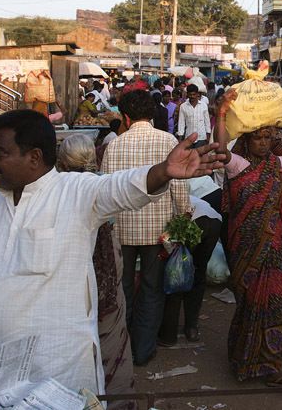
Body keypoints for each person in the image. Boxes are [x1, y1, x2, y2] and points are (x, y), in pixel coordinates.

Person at [0, 106, 223, 395]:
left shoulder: (74, 191)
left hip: (54, 371)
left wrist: (163, 172)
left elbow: (118, 188)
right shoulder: (1, 201)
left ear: (34, 157)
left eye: (1, 153)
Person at [215, 89, 282, 386]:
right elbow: (219, 147)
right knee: (249, 303)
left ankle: (271, 366)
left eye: (268, 137)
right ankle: (243, 361)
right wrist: (222, 112)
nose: (263, 143)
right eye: (257, 138)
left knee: (274, 305)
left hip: (276, 247)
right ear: (247, 141)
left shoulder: (281, 165)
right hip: (246, 247)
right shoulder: (238, 165)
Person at [101, 90, 193, 367]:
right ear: (152, 114)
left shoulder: (115, 145)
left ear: (125, 117)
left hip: (122, 229)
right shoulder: (168, 141)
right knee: (152, 289)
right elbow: (178, 185)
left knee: (123, 289)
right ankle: (143, 350)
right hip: (158, 230)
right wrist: (184, 216)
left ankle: (122, 348)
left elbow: (105, 189)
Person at [56, 134, 134, 407]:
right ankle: (117, 397)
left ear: (62, 162)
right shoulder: (99, 183)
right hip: (108, 263)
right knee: (111, 327)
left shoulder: (55, 189)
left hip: (78, 264)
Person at [158, 193, 221, 345]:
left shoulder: (162, 203)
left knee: (177, 275)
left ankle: (168, 335)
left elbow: (167, 238)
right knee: (197, 274)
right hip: (214, 222)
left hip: (196, 222)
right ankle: (191, 328)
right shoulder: (185, 196)